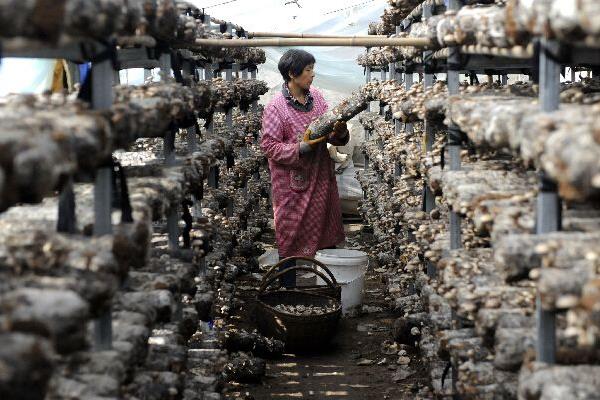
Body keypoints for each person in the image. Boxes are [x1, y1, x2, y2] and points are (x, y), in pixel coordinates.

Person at [260, 49, 349, 287]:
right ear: (292, 73)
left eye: (312, 69)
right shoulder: (276, 107)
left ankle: (330, 286)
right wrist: (301, 148)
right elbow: (269, 146)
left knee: (327, 228)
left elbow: (330, 132)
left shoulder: (317, 98)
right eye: (308, 70)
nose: (313, 75)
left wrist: (339, 134)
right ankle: (288, 288)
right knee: (291, 235)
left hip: (321, 179)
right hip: (292, 185)